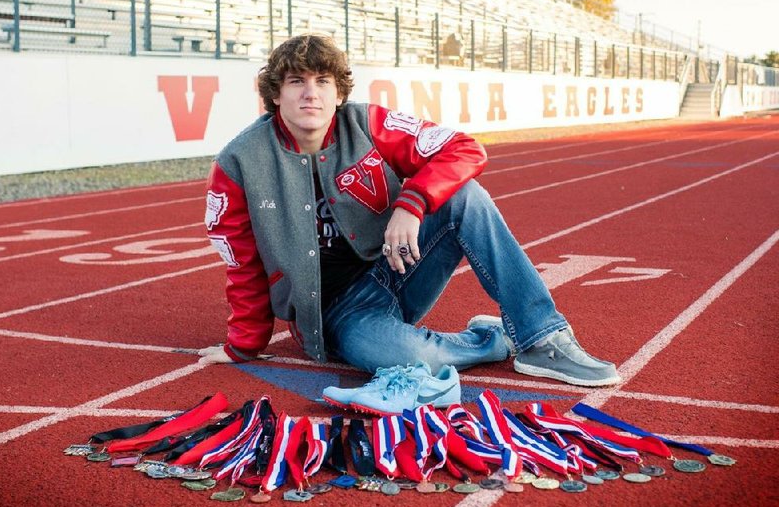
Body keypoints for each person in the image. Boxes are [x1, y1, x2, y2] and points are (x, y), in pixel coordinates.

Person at [198, 33, 619, 388]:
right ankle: (487, 339)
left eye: (323, 81)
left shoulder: (366, 123)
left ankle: (542, 338)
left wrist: (412, 203)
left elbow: (463, 148)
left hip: (398, 266)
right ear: (275, 93)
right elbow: (243, 262)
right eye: (296, 81)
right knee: (413, 359)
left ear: (339, 92)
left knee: (465, 197)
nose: (311, 93)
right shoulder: (240, 162)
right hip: (338, 312)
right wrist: (243, 344)